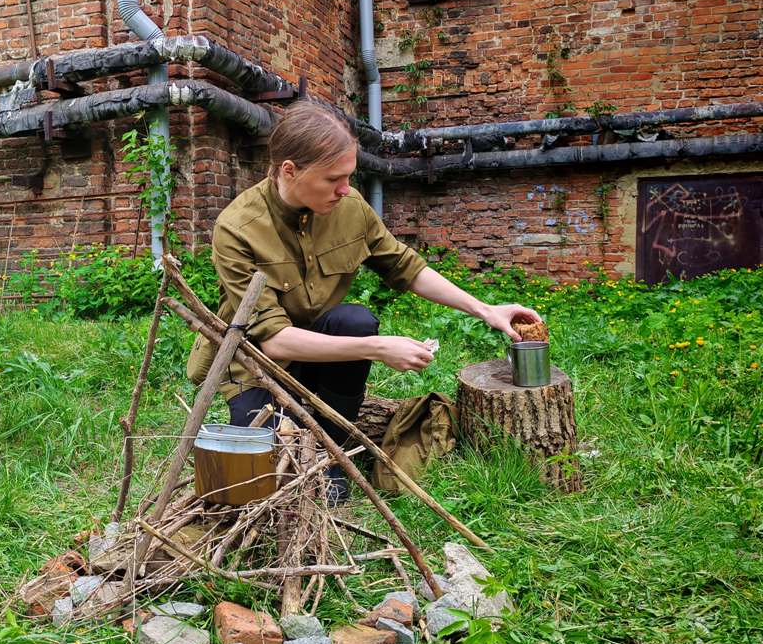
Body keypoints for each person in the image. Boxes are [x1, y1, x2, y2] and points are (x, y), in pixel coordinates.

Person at [186, 101, 541, 503]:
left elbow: (404, 266)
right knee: (268, 481)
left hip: (325, 346)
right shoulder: (238, 228)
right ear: (289, 170)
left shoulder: (349, 206)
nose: (344, 189)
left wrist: (484, 309)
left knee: (354, 320)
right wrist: (378, 349)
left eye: (348, 177)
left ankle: (332, 453)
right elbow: (275, 341)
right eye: (333, 179)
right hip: (257, 365)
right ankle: (295, 432)